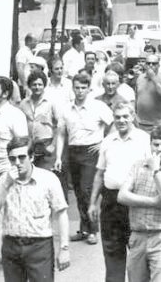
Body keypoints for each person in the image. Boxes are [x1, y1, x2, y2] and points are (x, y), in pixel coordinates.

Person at [0, 137, 71, 281]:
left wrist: (64, 249)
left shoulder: (48, 179)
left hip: (39, 245)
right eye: (12, 159)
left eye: (21, 157)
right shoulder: (3, 180)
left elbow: (61, 213)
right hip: (11, 245)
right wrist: (6, 184)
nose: (17, 163)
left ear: (31, 157)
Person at [88, 103, 150, 282]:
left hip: (134, 201)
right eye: (117, 117)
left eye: (125, 116)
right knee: (112, 252)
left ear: (132, 116)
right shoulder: (108, 141)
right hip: (110, 201)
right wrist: (93, 203)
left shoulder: (144, 139)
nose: (121, 120)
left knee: (138, 256)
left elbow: (151, 170)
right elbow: (100, 173)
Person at [118, 125, 161, 282]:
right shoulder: (137, 166)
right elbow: (122, 196)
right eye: (156, 144)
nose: (159, 149)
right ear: (150, 145)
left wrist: (156, 172)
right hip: (138, 236)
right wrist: (155, 202)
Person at [55, 72, 113, 244]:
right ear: (72, 88)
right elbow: (60, 135)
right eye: (77, 88)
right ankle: (84, 228)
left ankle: (93, 229)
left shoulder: (98, 106)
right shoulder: (66, 108)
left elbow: (114, 123)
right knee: (79, 193)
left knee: (88, 190)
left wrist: (104, 142)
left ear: (89, 89)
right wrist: (58, 157)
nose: (80, 91)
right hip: (74, 151)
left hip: (92, 152)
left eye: (83, 88)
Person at [0, 75, 29, 273]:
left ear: (6, 93)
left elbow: (23, 143)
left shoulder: (15, 115)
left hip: (7, 169)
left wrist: (18, 170)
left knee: (7, 212)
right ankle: (3, 252)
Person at [135, 54, 161, 134]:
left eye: (154, 64)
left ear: (158, 65)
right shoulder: (140, 78)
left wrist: (153, 78)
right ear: (145, 65)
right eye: (148, 63)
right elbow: (137, 97)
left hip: (158, 123)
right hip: (141, 123)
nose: (150, 66)